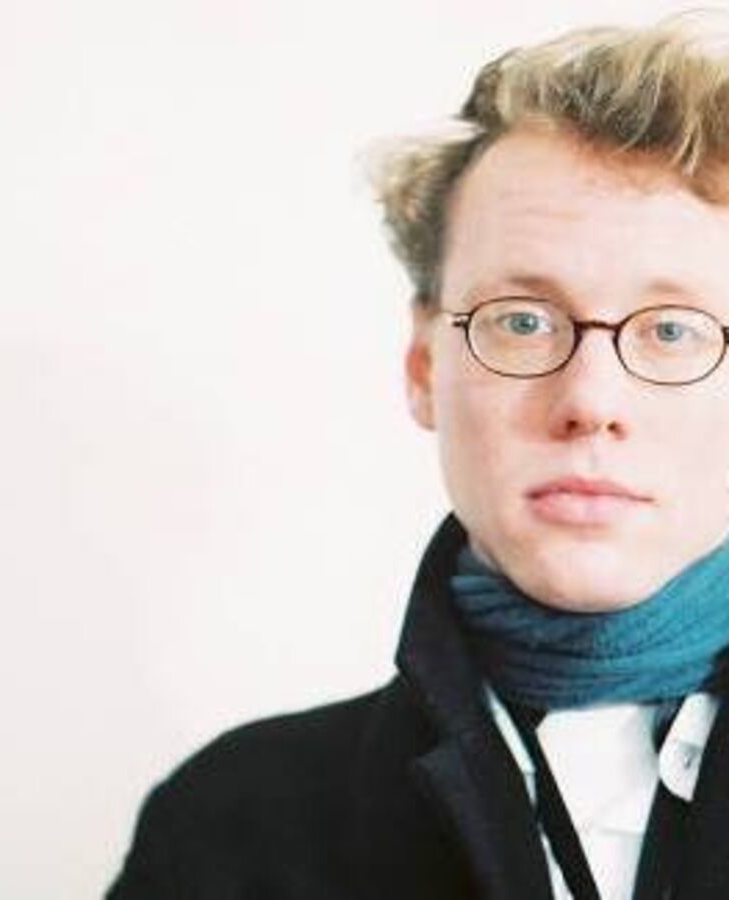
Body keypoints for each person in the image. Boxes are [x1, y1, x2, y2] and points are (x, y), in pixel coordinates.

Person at [106, 13, 729, 900]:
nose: (591, 402)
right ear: (424, 366)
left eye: (674, 331)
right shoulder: (231, 827)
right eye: (522, 321)